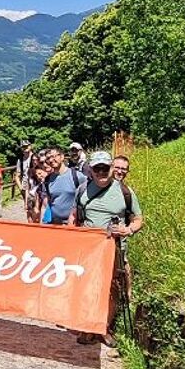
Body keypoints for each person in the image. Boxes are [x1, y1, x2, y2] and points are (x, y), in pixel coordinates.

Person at [77, 152, 144, 345]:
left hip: (114, 249)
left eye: (104, 168)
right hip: (89, 249)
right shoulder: (83, 189)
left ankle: (104, 327)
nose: (101, 172)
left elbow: (138, 219)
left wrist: (128, 230)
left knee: (111, 288)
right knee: (88, 287)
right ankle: (88, 327)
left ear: (111, 168)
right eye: (97, 168)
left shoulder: (125, 192)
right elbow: (75, 215)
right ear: (91, 170)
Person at [42, 148, 87, 226]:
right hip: (54, 223)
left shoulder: (76, 176)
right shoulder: (48, 180)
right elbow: (47, 203)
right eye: (48, 158)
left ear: (62, 157)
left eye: (53, 156)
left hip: (74, 224)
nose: (51, 160)